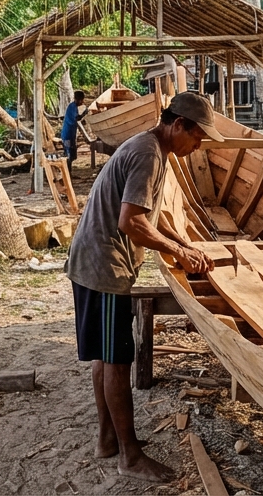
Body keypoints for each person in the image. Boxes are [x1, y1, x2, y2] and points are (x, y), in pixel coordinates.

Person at [64, 91, 219, 481]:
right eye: (197, 137)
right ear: (178, 124)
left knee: (105, 354)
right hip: (103, 265)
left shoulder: (152, 148)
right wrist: (178, 252)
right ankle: (129, 457)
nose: (198, 146)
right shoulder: (149, 154)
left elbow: (149, 215)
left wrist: (183, 245)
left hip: (94, 260)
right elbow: (130, 222)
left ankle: (107, 439)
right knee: (117, 359)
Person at [61, 90, 86, 173]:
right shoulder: (72, 107)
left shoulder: (74, 107)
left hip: (71, 135)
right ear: (78, 99)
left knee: (72, 154)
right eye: (82, 100)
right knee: (68, 154)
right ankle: (67, 174)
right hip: (67, 135)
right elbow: (76, 118)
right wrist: (84, 114)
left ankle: (68, 173)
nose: (82, 102)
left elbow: (77, 118)